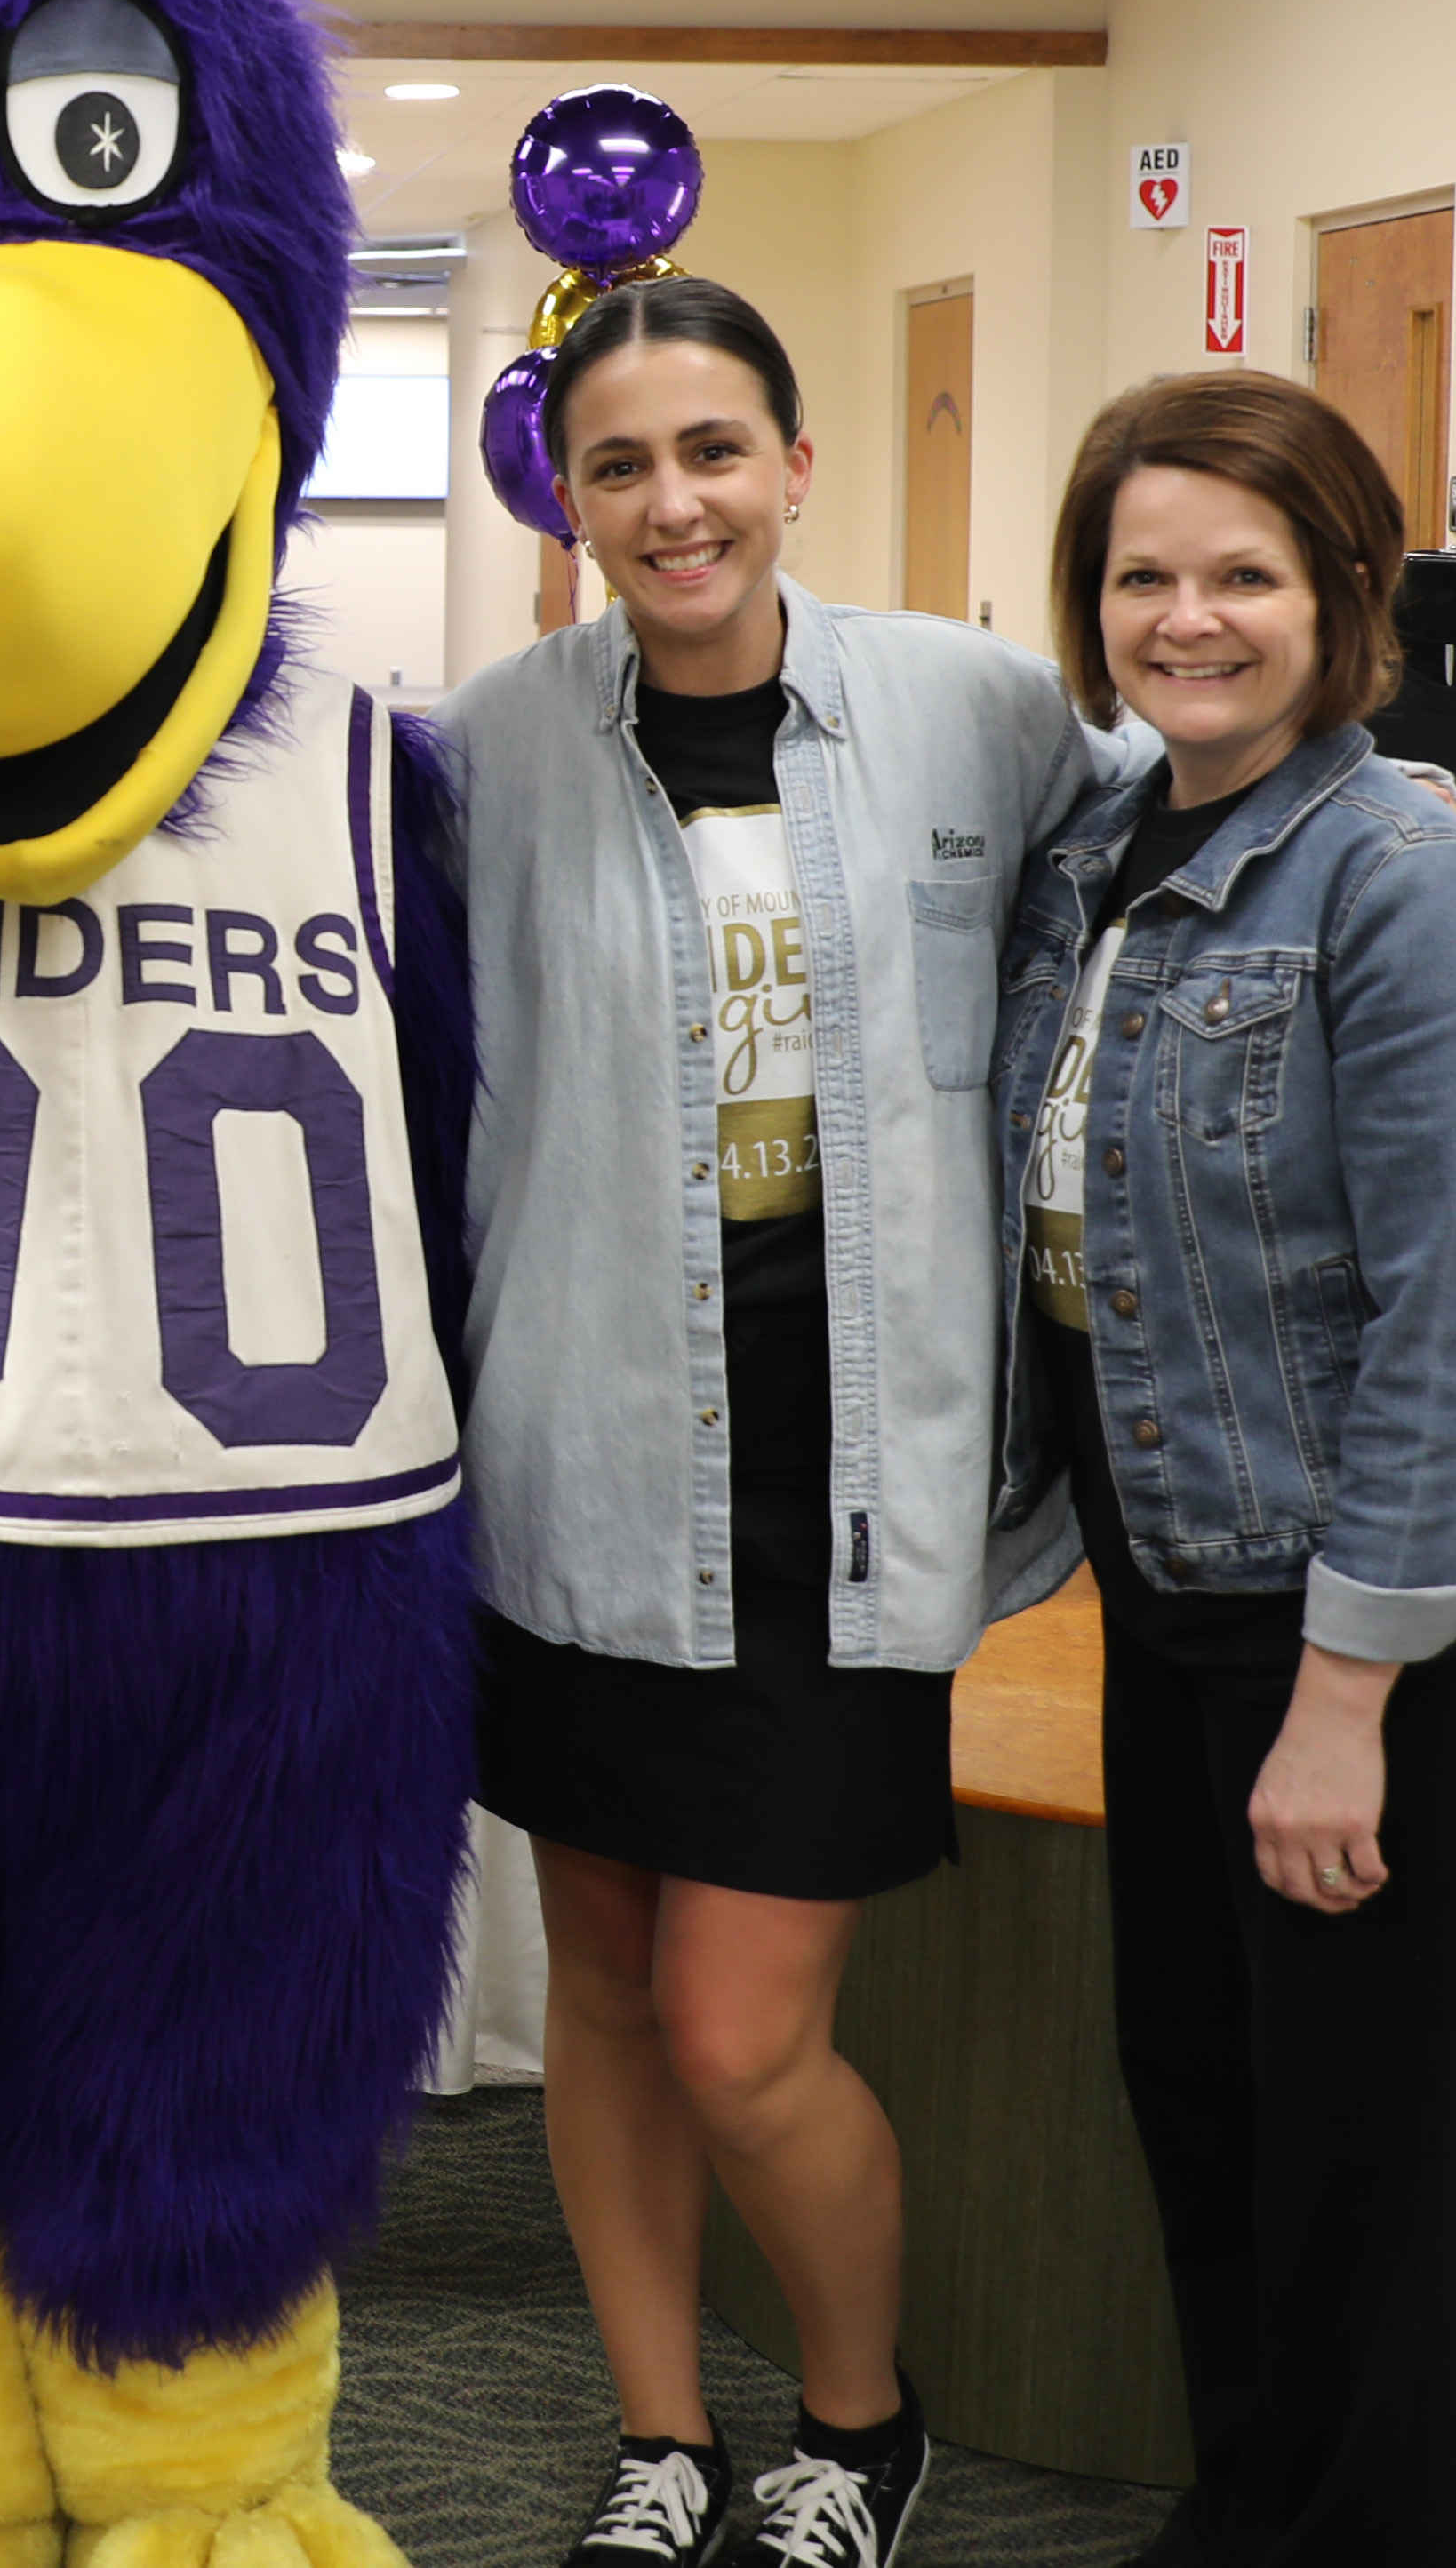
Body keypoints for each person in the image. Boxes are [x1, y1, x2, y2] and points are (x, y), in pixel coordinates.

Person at [450, 276, 1107, 2568]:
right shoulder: (491, 748)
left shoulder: (974, 711)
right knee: (608, 2003)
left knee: (743, 2030)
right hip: (583, 1466)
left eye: (713, 450)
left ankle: (859, 2421)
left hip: (852, 1491)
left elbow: (1180, 856)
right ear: (569, 501)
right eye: (617, 465)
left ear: (798, 466)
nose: (672, 503)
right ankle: (664, 2439)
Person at [996, 370, 1456, 2568]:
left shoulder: (1406, 878)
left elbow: (1453, 1329)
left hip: (1371, 1621)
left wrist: (1348, 1699)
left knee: (1369, 2174)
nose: (1188, 617)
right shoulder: (1109, 842)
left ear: (1346, 596)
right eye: (1145, 574)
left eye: (1244, 575)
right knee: (1216, 2109)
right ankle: (1254, 2507)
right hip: (1176, 1580)